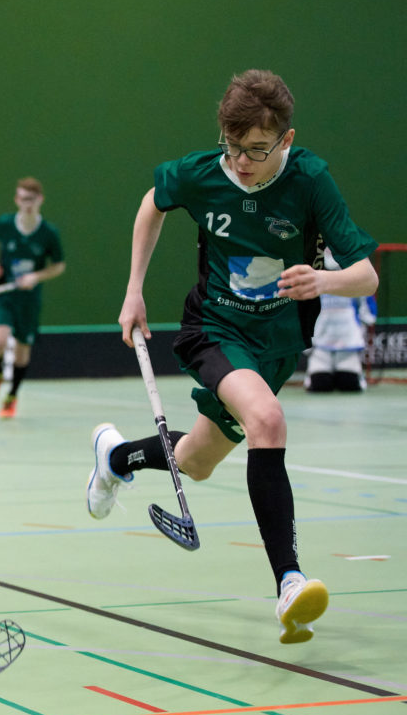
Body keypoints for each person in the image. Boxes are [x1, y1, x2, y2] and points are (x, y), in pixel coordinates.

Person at [86, 69, 379, 644]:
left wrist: (322, 280)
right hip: (215, 328)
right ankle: (289, 581)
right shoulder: (203, 173)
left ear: (286, 140)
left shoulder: (310, 180)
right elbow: (152, 203)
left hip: (277, 344)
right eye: (233, 146)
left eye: (257, 150)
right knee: (267, 419)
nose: (242, 162)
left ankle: (116, 457)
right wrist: (133, 290)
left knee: (197, 460)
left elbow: (366, 276)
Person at [0, 177, 65, 418]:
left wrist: (36, 276)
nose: (27, 204)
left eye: (31, 199)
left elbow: (58, 265)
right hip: (4, 294)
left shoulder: (48, 233)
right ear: (17, 200)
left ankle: (12, 395)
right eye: (23, 199)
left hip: (28, 300)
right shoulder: (5, 224)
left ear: (40, 200)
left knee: (21, 352)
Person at [304, 247, 376, 392]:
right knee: (320, 383)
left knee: (349, 382)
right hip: (321, 341)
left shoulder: (356, 275)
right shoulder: (311, 273)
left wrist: (365, 321)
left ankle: (355, 376)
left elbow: (367, 304)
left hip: (347, 339)